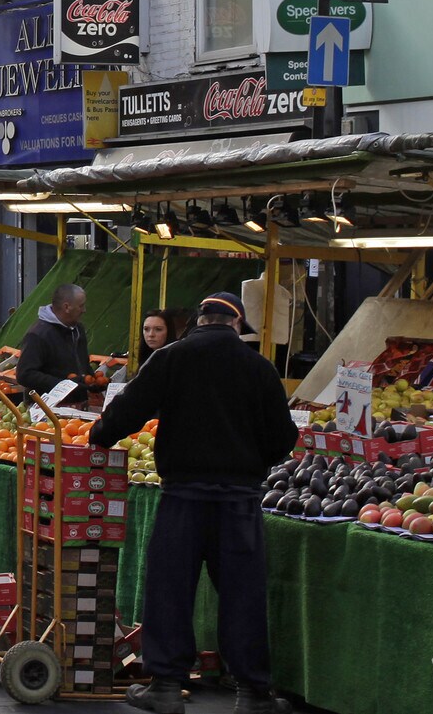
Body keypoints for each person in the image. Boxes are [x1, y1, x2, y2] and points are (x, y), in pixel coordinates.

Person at [91, 293, 298, 714]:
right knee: (242, 595)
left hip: (182, 496)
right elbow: (283, 438)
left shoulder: (170, 357)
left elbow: (126, 410)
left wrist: (100, 436)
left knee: (170, 589)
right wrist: (252, 461)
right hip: (238, 501)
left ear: (199, 321)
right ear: (236, 325)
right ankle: (253, 694)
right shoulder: (258, 367)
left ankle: (166, 687)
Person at [16, 282, 93, 403]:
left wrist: (92, 381)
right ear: (66, 307)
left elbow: (83, 365)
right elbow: (24, 375)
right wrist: (63, 385)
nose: (84, 310)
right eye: (81, 306)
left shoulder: (77, 330)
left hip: (76, 406)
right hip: (46, 408)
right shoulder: (38, 334)